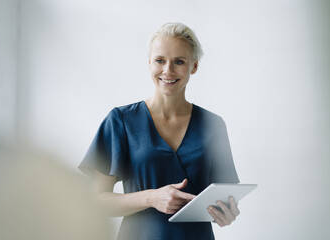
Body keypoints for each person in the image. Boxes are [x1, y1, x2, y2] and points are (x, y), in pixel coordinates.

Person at [78, 22, 241, 240]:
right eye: (160, 60)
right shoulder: (121, 121)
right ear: (149, 63)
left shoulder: (213, 125)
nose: (168, 70)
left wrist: (226, 214)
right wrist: (152, 198)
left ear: (194, 66)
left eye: (179, 62)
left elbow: (224, 198)